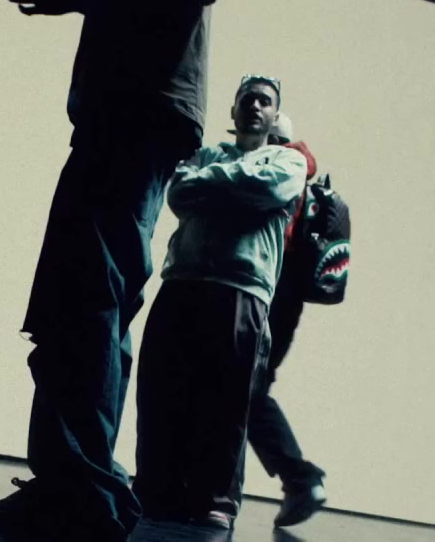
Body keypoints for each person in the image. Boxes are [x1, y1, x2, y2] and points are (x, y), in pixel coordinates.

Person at [0, 0, 222, 538]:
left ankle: (79, 486)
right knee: (90, 298)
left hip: (134, 114)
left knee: (82, 295)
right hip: (134, 115)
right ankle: (81, 480)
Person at [133, 75, 307, 531]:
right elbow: (180, 192)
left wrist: (211, 187)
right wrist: (236, 189)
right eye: (247, 99)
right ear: (233, 111)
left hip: (241, 290)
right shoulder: (205, 154)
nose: (255, 106)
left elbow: (268, 188)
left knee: (226, 402)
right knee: (162, 392)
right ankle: (157, 492)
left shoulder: (288, 162)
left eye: (264, 101)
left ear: (275, 115)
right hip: (183, 282)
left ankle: (216, 500)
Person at [242, 112, 330, 528]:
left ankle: (301, 479)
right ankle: (298, 481)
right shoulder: (305, 180)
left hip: (269, 296)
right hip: (288, 302)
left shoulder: (281, 173)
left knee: (246, 391)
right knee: (247, 390)